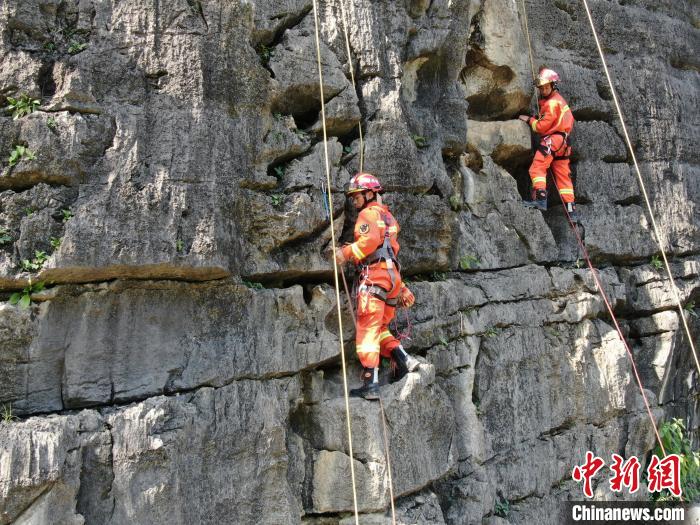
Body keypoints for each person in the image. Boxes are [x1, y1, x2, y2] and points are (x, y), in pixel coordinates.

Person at [334, 172, 419, 400]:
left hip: (376, 279)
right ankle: (404, 359)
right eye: (352, 197)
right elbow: (390, 251)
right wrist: (401, 288)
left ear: (370, 193)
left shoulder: (368, 215)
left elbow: (368, 243)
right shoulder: (388, 217)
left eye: (357, 195)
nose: (354, 200)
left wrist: (344, 253)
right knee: (380, 328)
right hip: (392, 279)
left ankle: (370, 383)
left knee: (367, 330)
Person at [518, 67, 576, 218]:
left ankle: (541, 199)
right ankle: (571, 209)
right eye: (541, 88)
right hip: (564, 142)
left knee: (537, 168)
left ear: (553, 85)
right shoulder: (560, 101)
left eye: (546, 87)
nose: (543, 90)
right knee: (563, 175)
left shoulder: (551, 104)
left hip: (553, 141)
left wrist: (530, 120)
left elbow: (541, 126)